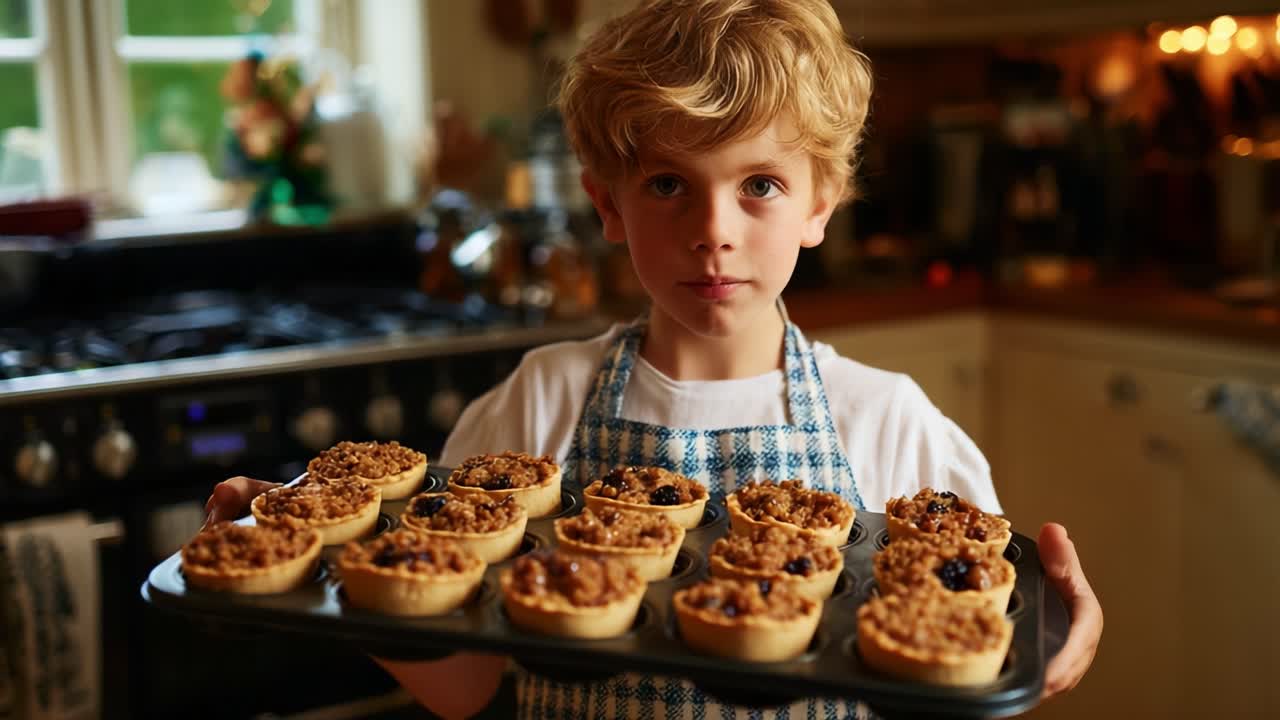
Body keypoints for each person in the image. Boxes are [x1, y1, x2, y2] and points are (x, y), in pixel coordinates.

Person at [205, 1, 1103, 717]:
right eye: (669, 184)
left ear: (820, 204)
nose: (713, 233)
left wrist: (1057, 639)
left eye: (761, 185)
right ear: (608, 204)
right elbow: (468, 687)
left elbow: (969, 661)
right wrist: (333, 565)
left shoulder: (888, 421)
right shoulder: (539, 406)